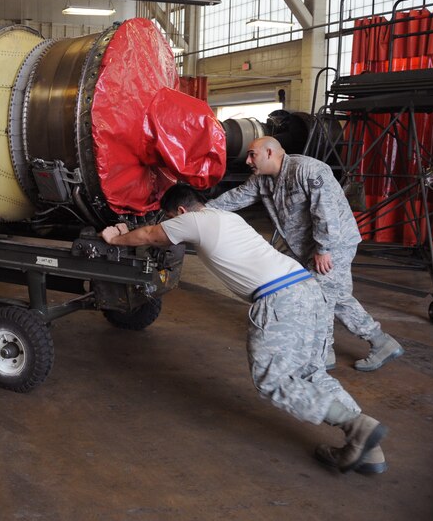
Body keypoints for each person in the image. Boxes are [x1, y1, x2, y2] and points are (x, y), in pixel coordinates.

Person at [101, 183, 388, 474]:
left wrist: (118, 239)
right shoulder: (225, 217)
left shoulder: (192, 221)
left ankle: (357, 427)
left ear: (182, 212)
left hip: (280, 298)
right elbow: (162, 238)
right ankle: (368, 448)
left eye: (171, 218)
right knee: (311, 373)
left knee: (272, 379)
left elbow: (152, 234)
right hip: (309, 290)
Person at [207, 136, 402, 373]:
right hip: (304, 246)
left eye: (252, 154)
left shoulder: (309, 170)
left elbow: (326, 212)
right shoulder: (262, 180)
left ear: (269, 153)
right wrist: (203, 211)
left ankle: (322, 354)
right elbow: (237, 196)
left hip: (334, 244)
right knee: (335, 294)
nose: (247, 160)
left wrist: (324, 250)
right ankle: (380, 342)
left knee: (321, 295)